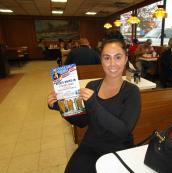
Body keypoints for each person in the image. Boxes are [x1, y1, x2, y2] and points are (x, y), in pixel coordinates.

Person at [47, 33, 141, 173]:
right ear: (101, 60)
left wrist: (94, 103)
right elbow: (82, 121)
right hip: (91, 145)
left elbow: (123, 131)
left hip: (118, 148)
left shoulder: (132, 91)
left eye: (118, 57)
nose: (112, 64)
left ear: (126, 58)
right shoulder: (92, 86)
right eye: (107, 58)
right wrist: (60, 106)